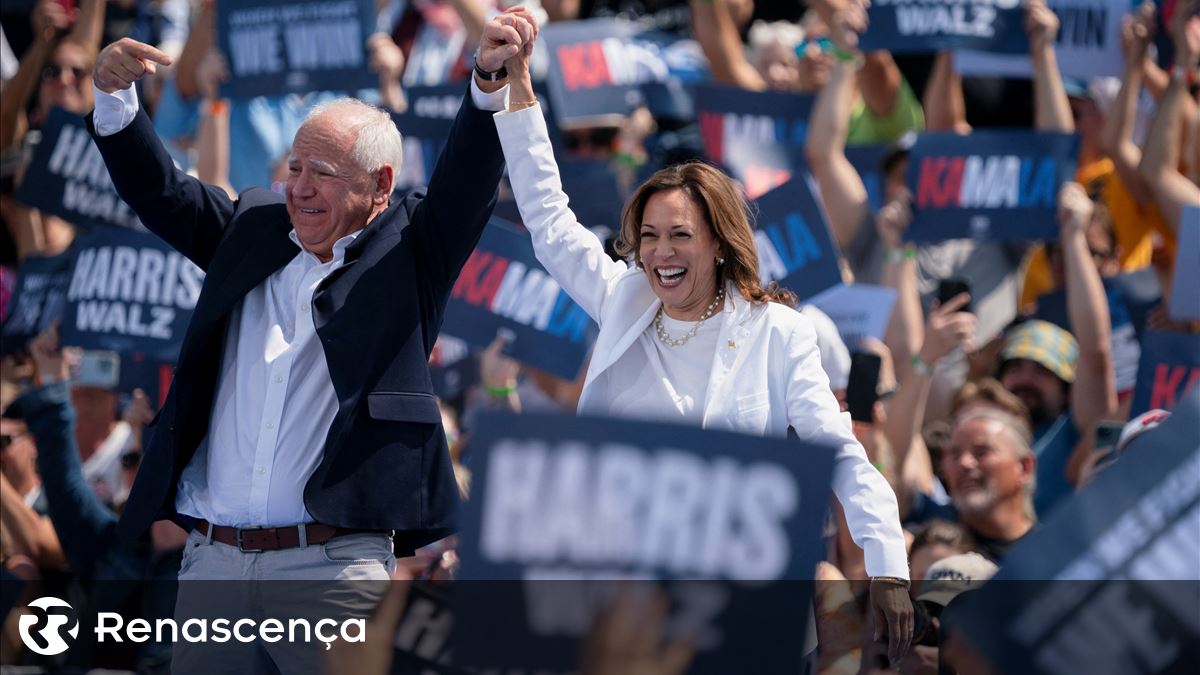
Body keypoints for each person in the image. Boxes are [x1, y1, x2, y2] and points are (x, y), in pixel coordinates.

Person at [491, 36, 915, 662]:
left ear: (719, 243)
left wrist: (887, 566)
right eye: (650, 236)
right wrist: (517, 87)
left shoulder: (779, 333)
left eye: (681, 235)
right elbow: (549, 220)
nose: (660, 252)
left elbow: (842, 457)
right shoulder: (621, 300)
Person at [939, 408, 1037, 565]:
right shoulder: (931, 553)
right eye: (955, 455)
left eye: (981, 452)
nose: (964, 463)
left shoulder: (1056, 552)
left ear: (1025, 466)